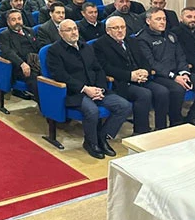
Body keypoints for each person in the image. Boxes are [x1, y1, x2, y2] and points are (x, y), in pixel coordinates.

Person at [46, 20, 132, 159]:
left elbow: (98, 69)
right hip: (74, 93)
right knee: (92, 111)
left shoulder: (86, 47)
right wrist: (85, 89)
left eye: (75, 29)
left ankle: (102, 137)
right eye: (69, 30)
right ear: (60, 33)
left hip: (96, 89)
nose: (73, 32)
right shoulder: (54, 51)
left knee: (124, 106)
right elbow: (60, 75)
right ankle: (91, 143)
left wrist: (100, 89)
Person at [136, 7, 195, 131]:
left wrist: (184, 73)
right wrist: (174, 77)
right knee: (178, 89)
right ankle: (175, 121)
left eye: (164, 19)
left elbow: (181, 56)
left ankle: (193, 116)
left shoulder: (170, 35)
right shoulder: (142, 38)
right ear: (148, 21)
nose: (162, 22)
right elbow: (152, 63)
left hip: (179, 73)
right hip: (160, 76)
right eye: (158, 19)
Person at [94, 16, 170, 134]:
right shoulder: (100, 45)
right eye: (116, 28)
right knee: (144, 94)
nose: (120, 30)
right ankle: (141, 131)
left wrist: (145, 71)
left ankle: (161, 128)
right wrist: (130, 76)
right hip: (121, 82)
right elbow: (106, 68)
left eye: (122, 27)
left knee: (162, 91)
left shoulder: (132, 41)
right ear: (108, 30)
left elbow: (144, 60)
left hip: (140, 78)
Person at [0, 10, 40, 101]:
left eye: (19, 19)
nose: (17, 22)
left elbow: (38, 47)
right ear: (8, 22)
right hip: (19, 67)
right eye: (14, 20)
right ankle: (45, 107)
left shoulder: (29, 31)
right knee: (36, 81)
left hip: (35, 63)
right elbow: (7, 52)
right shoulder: (4, 35)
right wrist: (22, 64)